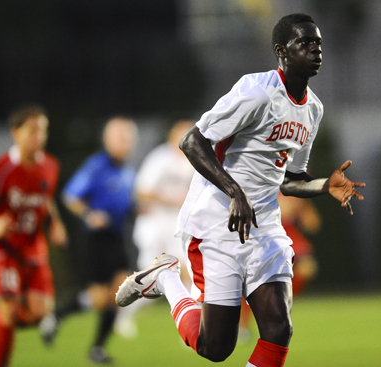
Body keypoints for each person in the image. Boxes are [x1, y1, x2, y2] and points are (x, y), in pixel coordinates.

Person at [116, 13, 365, 367]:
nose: (315, 50)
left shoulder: (313, 109)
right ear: (281, 51)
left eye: (318, 44)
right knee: (215, 348)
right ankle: (166, 278)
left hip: (264, 226)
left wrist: (324, 184)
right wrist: (235, 192)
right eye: (304, 43)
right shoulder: (257, 91)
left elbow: (290, 178)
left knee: (279, 329)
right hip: (217, 222)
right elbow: (192, 141)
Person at [0, 105, 68, 367]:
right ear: (15, 133)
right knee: (9, 314)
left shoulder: (50, 165)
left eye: (43, 130)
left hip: (32, 246)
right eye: (32, 131)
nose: (39, 136)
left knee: (38, 314)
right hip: (2, 247)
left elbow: (46, 198)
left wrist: (56, 223)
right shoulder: (0, 170)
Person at [59, 117, 138, 364]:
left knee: (118, 292)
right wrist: (89, 214)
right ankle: (58, 313)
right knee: (98, 297)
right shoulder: (97, 165)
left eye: (127, 136)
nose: (124, 141)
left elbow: (127, 203)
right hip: (97, 239)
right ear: (107, 139)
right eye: (119, 136)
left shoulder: (127, 169)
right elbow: (71, 195)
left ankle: (97, 348)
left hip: (117, 236)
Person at [114, 119, 195, 339]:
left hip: (177, 227)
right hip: (154, 226)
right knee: (150, 278)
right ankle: (123, 314)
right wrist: (170, 199)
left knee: (190, 273)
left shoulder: (193, 161)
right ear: (172, 136)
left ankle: (193, 324)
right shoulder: (160, 158)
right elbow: (141, 192)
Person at [238, 192, 321, 341]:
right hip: (264, 236)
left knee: (307, 267)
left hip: (288, 237)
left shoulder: (295, 192)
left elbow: (313, 225)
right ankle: (243, 324)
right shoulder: (264, 185)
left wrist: (302, 207)